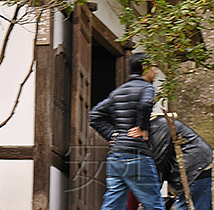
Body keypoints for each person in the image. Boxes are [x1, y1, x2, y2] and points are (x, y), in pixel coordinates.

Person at [89, 52, 164, 210]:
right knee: (154, 204)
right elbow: (145, 105)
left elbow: (94, 115)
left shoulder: (117, 92)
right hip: (136, 155)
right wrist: (143, 128)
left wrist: (112, 134)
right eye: (154, 67)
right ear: (144, 67)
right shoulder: (147, 88)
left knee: (112, 204)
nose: (156, 71)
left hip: (116, 157)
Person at [149, 113, 212, 210]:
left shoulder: (157, 127)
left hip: (194, 168)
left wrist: (150, 195)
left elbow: (159, 163)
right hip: (195, 165)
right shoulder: (157, 125)